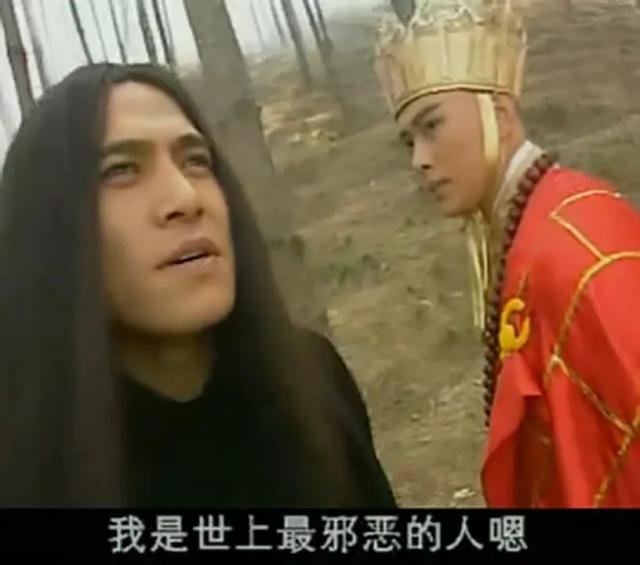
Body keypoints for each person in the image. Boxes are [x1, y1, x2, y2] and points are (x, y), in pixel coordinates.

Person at [0, 63, 396, 508]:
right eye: (121, 169)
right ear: (48, 226)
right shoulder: (22, 458)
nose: (186, 198)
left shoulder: (313, 378)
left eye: (196, 161)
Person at [375, 0, 640, 507]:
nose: (419, 160)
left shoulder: (576, 245)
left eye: (432, 127)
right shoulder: (527, 229)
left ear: (499, 113)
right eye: (409, 141)